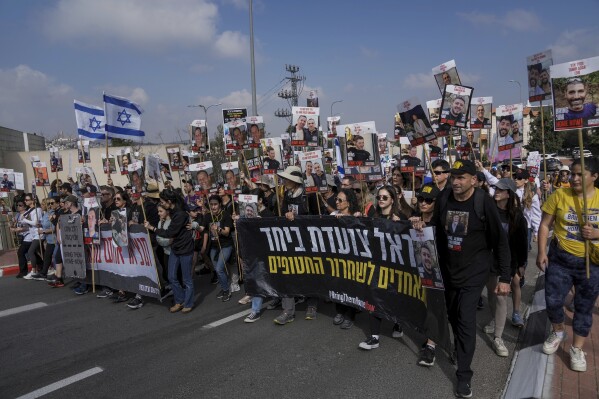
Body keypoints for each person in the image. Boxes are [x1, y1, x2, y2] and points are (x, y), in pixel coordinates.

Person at [431, 160, 511, 398]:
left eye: (462, 177)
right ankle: (459, 346)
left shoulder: (483, 202)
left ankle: (463, 375)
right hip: (448, 271)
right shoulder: (444, 199)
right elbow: (435, 229)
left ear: (474, 180)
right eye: (454, 177)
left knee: (465, 319)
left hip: (475, 273)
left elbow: (500, 242)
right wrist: (418, 224)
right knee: (454, 316)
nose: (456, 182)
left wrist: (505, 277)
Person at [537, 157, 599, 373]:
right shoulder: (559, 195)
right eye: (572, 173)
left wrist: (596, 233)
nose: (573, 178)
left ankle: (577, 348)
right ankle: (558, 331)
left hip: (592, 264)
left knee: (584, 307)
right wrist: (542, 251)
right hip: (560, 260)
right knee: (553, 300)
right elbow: (545, 225)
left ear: (594, 176)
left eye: (580, 174)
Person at [483, 178, 528, 358]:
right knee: (491, 295)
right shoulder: (489, 211)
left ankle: (498, 337)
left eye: (501, 190)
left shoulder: (516, 216)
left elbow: (522, 243)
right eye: (496, 188)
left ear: (508, 194)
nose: (497, 192)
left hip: (506, 263)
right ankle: (495, 320)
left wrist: (521, 265)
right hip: (487, 261)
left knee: (501, 297)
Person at [145, 189, 195, 313]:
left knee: (186, 279)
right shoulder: (173, 210)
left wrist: (152, 228)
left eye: (162, 201)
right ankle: (180, 300)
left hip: (185, 248)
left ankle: (188, 303)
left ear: (169, 201)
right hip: (175, 248)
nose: (161, 203)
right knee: (171, 276)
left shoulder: (180, 214)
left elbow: (169, 233)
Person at [203, 195, 235, 302]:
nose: (213, 206)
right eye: (211, 204)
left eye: (215, 204)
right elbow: (203, 228)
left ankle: (227, 290)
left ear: (220, 204)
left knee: (219, 269)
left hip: (225, 245)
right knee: (217, 270)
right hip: (214, 246)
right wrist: (194, 226)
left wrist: (219, 229)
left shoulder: (225, 215)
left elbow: (226, 233)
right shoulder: (208, 216)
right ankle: (223, 287)